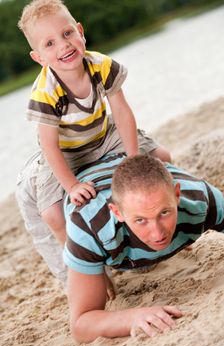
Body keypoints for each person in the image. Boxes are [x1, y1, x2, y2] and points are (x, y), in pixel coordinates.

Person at [17, 0, 171, 247]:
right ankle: (82, 265)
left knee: (162, 156)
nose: (64, 44)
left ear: (80, 31)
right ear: (39, 58)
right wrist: (73, 185)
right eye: (50, 43)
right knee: (53, 215)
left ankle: (170, 220)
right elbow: (49, 146)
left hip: (102, 134)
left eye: (67, 33)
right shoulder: (45, 92)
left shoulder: (101, 65)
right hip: (65, 151)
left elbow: (120, 112)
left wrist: (133, 158)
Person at [62, 153, 224, 343]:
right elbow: (80, 326)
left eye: (164, 212)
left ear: (177, 195)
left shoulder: (200, 198)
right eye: (140, 220)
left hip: (117, 149)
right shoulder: (90, 228)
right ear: (117, 212)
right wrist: (132, 317)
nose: (157, 233)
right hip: (67, 176)